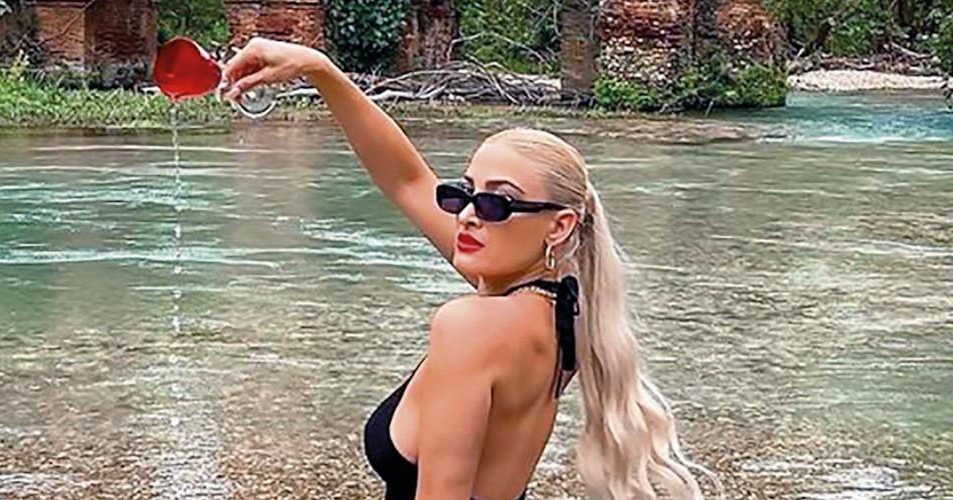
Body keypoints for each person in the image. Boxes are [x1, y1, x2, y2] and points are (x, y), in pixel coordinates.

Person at [221, 37, 710, 500]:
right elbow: (408, 180)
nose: (470, 214)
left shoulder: (472, 327)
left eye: (499, 202)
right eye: (465, 193)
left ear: (559, 225)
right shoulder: (563, 313)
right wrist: (320, 70)